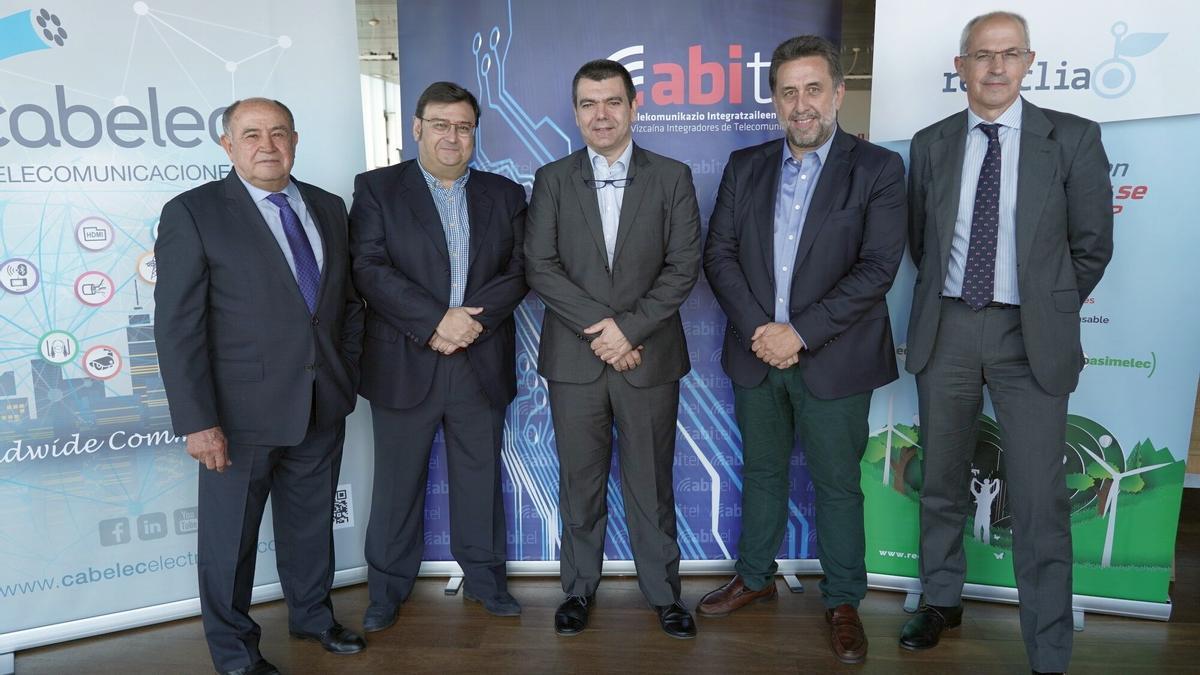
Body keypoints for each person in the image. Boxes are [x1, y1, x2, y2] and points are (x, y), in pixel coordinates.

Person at [901, 11, 1114, 674]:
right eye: (982, 56)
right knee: (939, 478)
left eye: (1009, 54)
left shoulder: (1072, 139)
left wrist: (1045, 306)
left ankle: (1048, 646)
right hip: (950, 326)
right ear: (961, 66)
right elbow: (921, 242)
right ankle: (940, 599)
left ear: (1029, 62)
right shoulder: (931, 142)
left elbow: (1092, 246)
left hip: (1031, 337)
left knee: (1037, 496)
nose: (995, 68)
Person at [699, 34, 907, 664]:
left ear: (838, 93)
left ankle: (844, 600)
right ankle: (755, 577)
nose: (801, 104)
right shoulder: (746, 165)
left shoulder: (878, 170)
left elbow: (877, 269)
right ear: (775, 101)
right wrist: (765, 329)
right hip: (756, 354)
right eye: (788, 92)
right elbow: (720, 255)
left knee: (837, 484)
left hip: (836, 358)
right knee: (760, 473)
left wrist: (801, 332)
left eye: (813, 89)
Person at [155, 97, 366, 675]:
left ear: (295, 139)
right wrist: (198, 421)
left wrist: (343, 372)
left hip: (321, 403)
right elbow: (177, 327)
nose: (267, 146)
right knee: (230, 545)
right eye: (251, 135)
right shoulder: (193, 213)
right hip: (236, 417)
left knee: (310, 524)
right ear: (228, 145)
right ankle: (234, 653)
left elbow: (346, 304)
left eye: (278, 133)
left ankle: (314, 617)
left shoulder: (326, 207)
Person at [525, 59, 701, 639]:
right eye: (587, 104)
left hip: (648, 358)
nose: (600, 115)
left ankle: (664, 594)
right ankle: (577, 590)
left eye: (611, 102)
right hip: (577, 360)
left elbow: (683, 267)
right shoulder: (551, 178)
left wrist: (630, 331)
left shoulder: (672, 176)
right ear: (576, 112)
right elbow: (541, 268)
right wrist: (606, 331)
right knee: (580, 482)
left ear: (633, 105)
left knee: (651, 484)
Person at [349, 81, 528, 630]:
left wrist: (467, 325)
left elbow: (521, 270)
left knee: (479, 479)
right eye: (442, 124)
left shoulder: (505, 194)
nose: (453, 136)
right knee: (398, 483)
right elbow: (369, 268)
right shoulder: (378, 189)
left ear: (475, 132)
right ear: (417, 127)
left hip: (478, 359)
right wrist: (435, 322)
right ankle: (387, 591)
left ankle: (485, 581)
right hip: (406, 360)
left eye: (464, 126)